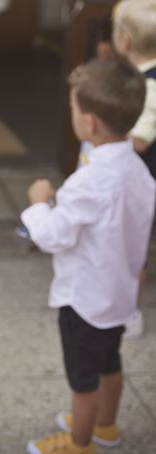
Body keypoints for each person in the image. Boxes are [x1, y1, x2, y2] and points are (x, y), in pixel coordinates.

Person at [22, 56, 155, 454]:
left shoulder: (88, 181)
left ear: (90, 123)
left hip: (84, 298)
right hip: (119, 293)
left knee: (83, 377)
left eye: (75, 108)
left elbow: (52, 235)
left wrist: (39, 202)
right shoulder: (138, 170)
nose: (73, 114)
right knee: (109, 361)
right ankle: (106, 424)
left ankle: (80, 443)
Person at [111, 0, 156, 338]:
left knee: (133, 247)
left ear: (123, 40)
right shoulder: (136, 76)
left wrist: (106, 129)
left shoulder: (149, 86)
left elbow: (140, 140)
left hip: (140, 179)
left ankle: (130, 313)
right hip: (132, 177)